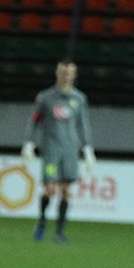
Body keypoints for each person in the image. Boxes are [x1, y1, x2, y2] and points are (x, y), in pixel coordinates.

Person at [21, 59, 94, 244]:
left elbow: (83, 125)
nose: (65, 76)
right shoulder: (46, 97)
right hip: (51, 150)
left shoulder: (79, 99)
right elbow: (35, 121)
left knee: (66, 190)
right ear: (57, 73)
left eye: (69, 73)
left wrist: (88, 149)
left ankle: (60, 232)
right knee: (49, 188)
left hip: (70, 151)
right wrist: (29, 143)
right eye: (62, 72)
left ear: (74, 75)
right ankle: (42, 221)